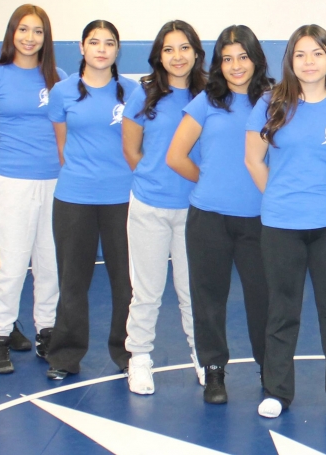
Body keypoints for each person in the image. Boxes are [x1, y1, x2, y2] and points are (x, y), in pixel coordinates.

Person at [245, 25, 326, 418]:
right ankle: (276, 391)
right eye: (300, 54)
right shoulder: (270, 104)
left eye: (317, 53)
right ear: (290, 61)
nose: (308, 61)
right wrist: (278, 197)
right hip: (280, 226)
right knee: (282, 310)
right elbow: (253, 159)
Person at [166, 25, 272, 403]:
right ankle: (214, 372)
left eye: (242, 57)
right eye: (227, 59)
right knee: (208, 298)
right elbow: (175, 156)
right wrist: (209, 181)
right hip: (208, 219)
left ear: (256, 59)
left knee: (263, 298)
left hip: (260, 220)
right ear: (218, 65)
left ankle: (269, 369)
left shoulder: (275, 100)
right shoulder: (205, 102)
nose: (235, 65)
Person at [0, 4, 65, 374]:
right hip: (12, 181)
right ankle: (0, 335)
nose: (30, 38)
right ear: (12, 33)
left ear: (46, 37)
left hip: (55, 181)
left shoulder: (58, 77)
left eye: (37, 31)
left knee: (49, 263)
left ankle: (46, 331)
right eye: (23, 30)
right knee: (12, 264)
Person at [43, 20, 137, 379]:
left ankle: (128, 353)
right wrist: (85, 176)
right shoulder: (63, 92)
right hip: (74, 197)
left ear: (117, 50)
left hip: (123, 198)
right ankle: (65, 355)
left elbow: (137, 144)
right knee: (72, 280)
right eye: (94, 42)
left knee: (126, 281)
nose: (101, 49)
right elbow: (62, 146)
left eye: (109, 43)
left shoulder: (132, 92)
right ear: (81, 47)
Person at [119, 20, 207, 390]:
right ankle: (139, 357)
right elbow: (131, 150)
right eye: (169, 49)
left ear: (197, 53)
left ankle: (204, 357)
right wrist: (154, 180)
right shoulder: (144, 95)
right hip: (149, 207)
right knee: (147, 291)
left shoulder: (209, 96)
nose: (177, 56)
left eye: (184, 47)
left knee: (194, 291)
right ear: (159, 55)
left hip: (195, 210)